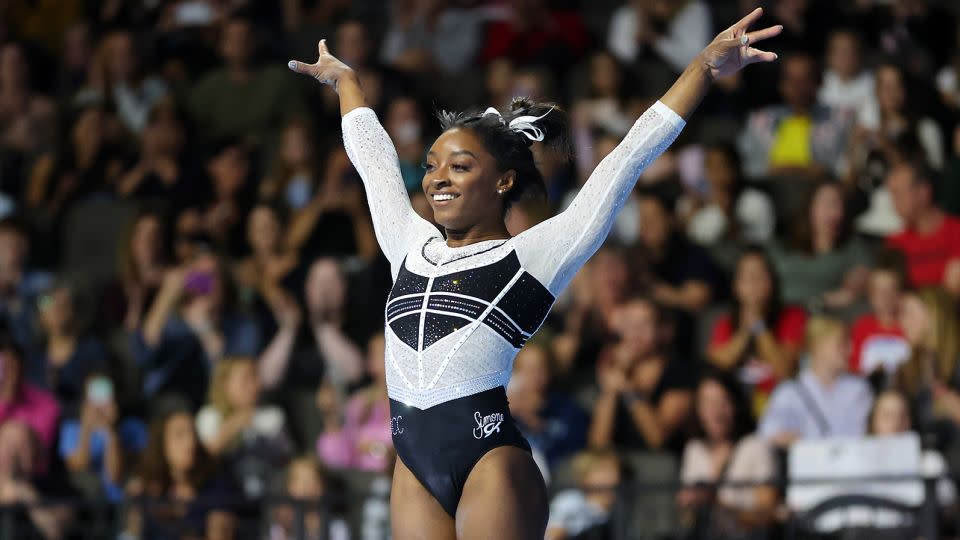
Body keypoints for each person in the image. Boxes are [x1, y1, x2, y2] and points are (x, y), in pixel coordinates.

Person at [287, 10, 781, 537]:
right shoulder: (408, 243)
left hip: (489, 463)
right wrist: (348, 82)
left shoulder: (533, 257)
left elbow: (627, 160)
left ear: (501, 181)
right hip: (412, 465)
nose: (437, 180)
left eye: (459, 166)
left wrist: (704, 68)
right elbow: (374, 160)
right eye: (432, 166)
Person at [707, 246, 806, 416]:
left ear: (771, 282)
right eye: (746, 277)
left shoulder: (793, 317)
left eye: (759, 276)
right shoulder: (725, 323)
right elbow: (716, 368)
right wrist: (745, 330)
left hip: (780, 405)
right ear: (736, 286)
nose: (752, 283)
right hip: (736, 408)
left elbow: (785, 371)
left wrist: (760, 327)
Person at [678, 372, 778, 539]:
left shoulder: (754, 447)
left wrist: (716, 504)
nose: (716, 412)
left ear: (736, 405)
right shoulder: (694, 450)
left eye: (723, 402)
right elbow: (686, 519)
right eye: (708, 403)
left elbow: (767, 514)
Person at [588, 298, 694, 454]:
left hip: (662, 469)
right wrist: (612, 388)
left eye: (644, 324)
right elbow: (598, 445)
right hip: (616, 466)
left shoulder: (679, 372)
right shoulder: (613, 370)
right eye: (630, 324)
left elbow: (658, 439)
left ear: (661, 330)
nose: (636, 331)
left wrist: (629, 389)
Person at [759, 317, 874, 448]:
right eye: (841, 344)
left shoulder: (859, 389)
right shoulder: (789, 392)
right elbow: (768, 433)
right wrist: (795, 439)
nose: (850, 350)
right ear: (817, 347)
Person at [738, 53, 851, 180]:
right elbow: (745, 166)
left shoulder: (840, 119)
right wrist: (773, 170)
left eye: (805, 80)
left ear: (819, 81)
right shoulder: (759, 121)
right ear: (781, 84)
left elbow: (846, 168)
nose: (797, 87)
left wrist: (820, 171)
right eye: (791, 79)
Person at [769, 179, 872, 312]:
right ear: (810, 207)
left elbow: (857, 287)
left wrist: (820, 302)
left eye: (839, 204)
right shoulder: (781, 246)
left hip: (824, 322)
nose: (835, 212)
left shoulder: (853, 248)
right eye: (828, 204)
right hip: (777, 319)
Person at [195, 357, 291, 498]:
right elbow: (203, 459)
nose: (256, 385)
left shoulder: (273, 416)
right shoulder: (209, 416)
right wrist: (236, 423)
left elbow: (286, 460)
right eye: (246, 378)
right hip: (226, 497)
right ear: (224, 384)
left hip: (268, 497)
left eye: (256, 377)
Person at [59, 372, 147, 502]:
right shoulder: (71, 429)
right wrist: (86, 429)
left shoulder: (133, 428)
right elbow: (79, 468)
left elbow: (114, 476)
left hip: (122, 502)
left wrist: (111, 432)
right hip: (87, 504)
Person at [893, 288, 960, 449]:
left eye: (909, 313)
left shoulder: (956, 363)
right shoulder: (908, 369)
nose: (902, 321)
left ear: (933, 315)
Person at [317, 332, 393, 472]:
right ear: (369, 363)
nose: (388, 357)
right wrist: (330, 415)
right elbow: (340, 454)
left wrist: (375, 448)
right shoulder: (359, 403)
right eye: (380, 353)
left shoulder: (413, 404)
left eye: (391, 351)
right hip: (362, 480)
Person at [885, 161, 960, 291]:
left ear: (923, 192)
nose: (893, 202)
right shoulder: (895, 243)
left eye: (897, 193)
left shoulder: (956, 232)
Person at [849, 256, 909, 379]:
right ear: (871, 296)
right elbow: (852, 367)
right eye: (879, 291)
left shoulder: (909, 325)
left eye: (891, 290)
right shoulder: (862, 327)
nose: (886, 297)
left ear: (900, 293)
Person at [267, 456, 350, 540]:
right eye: (301, 482)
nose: (307, 488)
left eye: (313, 482)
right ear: (290, 487)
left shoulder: (335, 525)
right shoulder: (281, 524)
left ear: (324, 486)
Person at [544, 449, 621, 540]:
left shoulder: (619, 511)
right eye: (604, 471)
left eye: (615, 470)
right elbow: (553, 535)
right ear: (585, 476)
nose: (613, 477)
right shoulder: (571, 500)